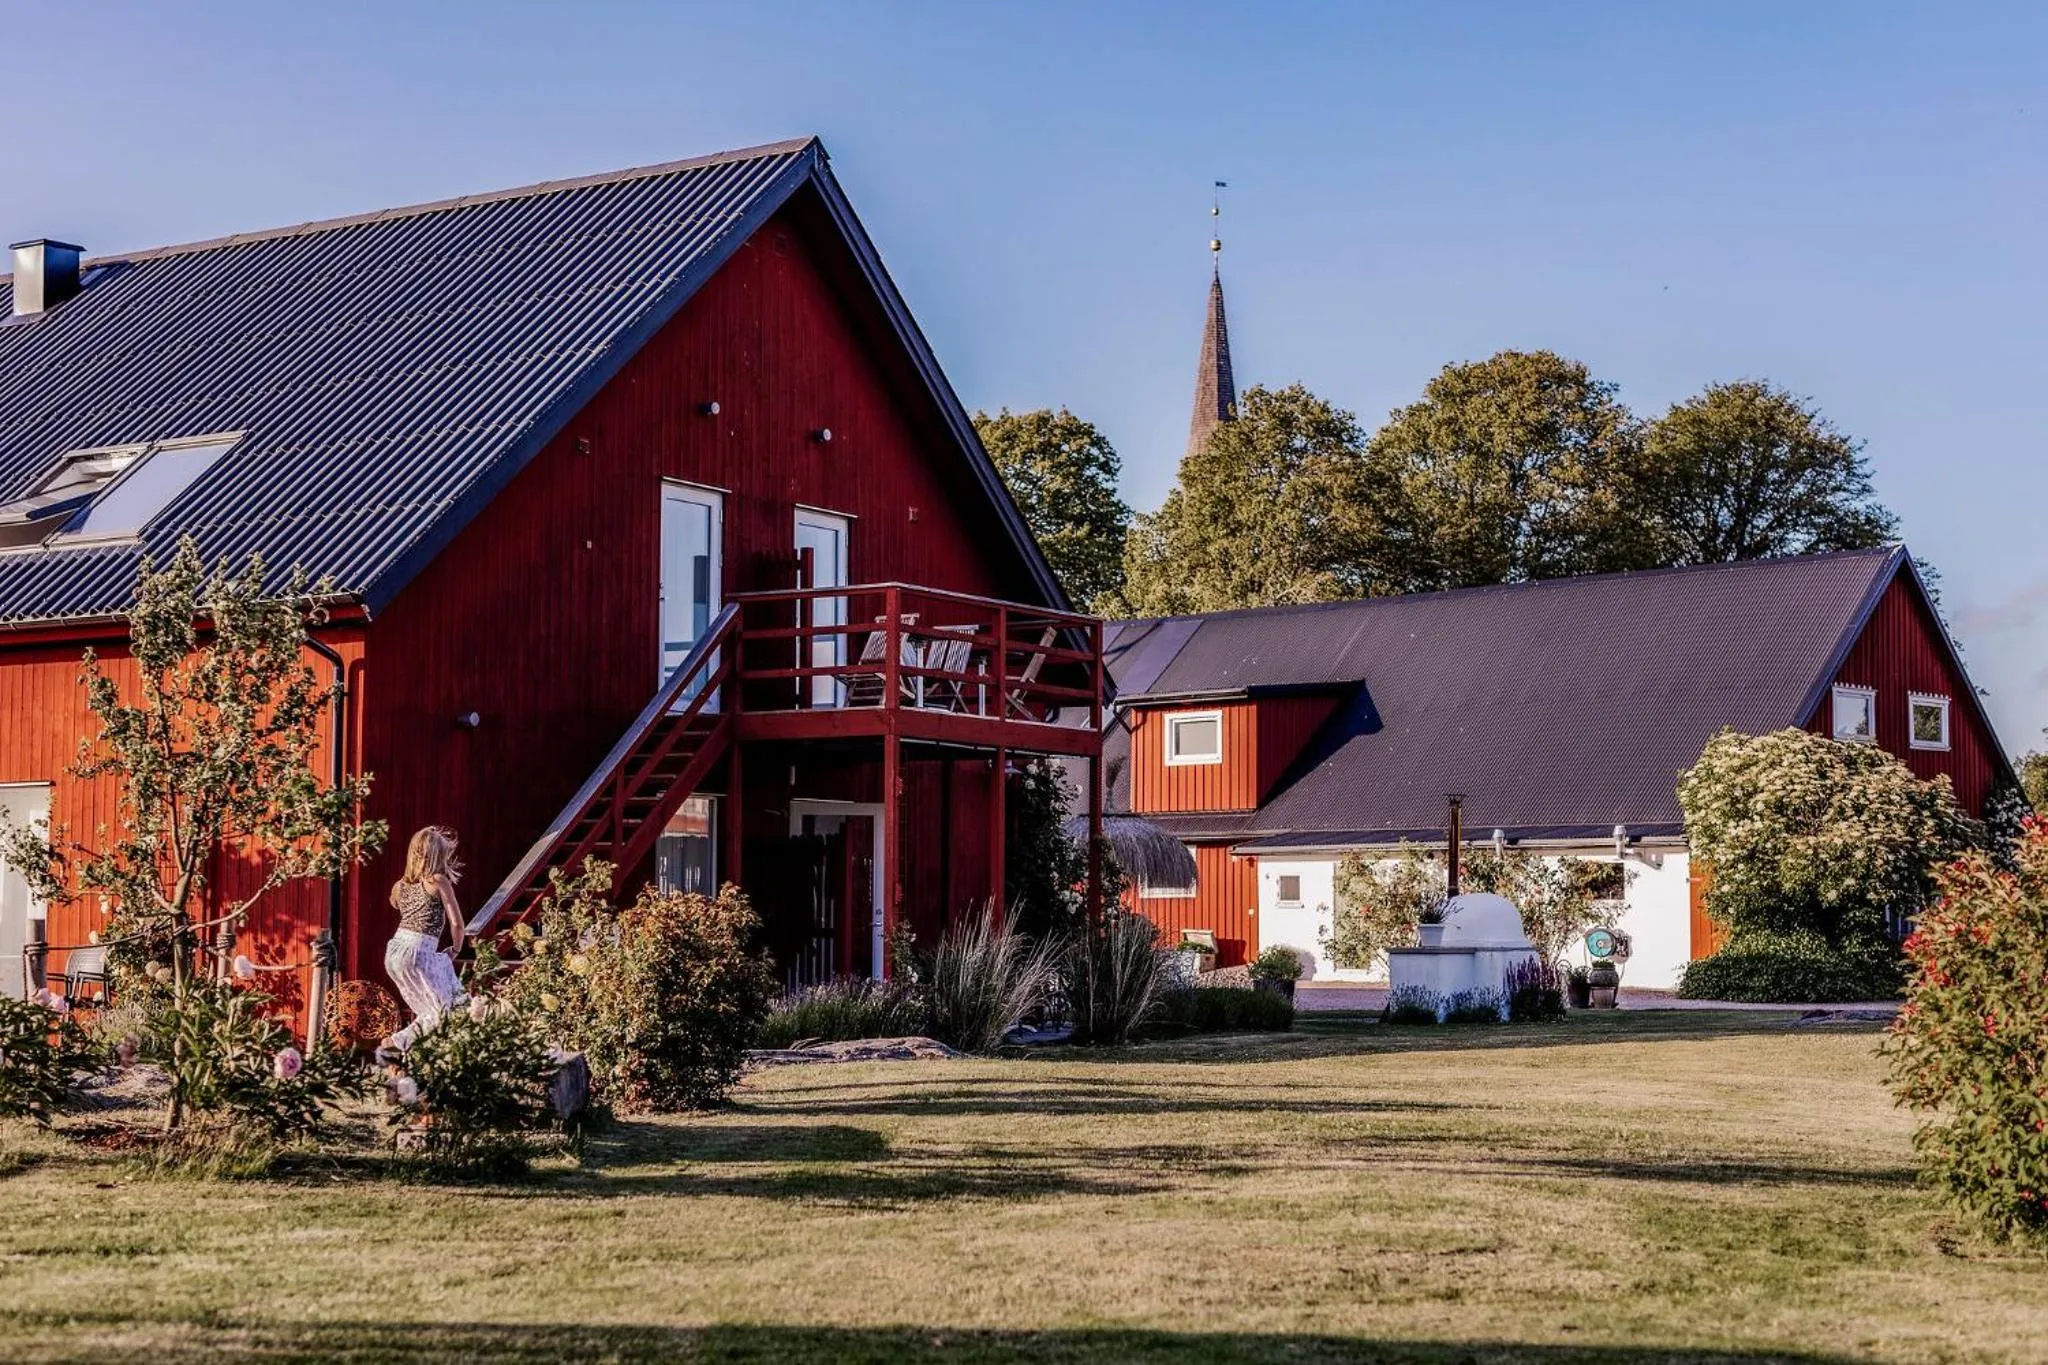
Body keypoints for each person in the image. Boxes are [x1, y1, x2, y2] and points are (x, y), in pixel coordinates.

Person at [377, 826, 468, 1061]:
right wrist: (456, 949)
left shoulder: (399, 886)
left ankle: (414, 1053)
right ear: (438, 856)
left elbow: (395, 902)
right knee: (445, 1010)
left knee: (431, 1010)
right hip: (418, 950)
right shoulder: (438, 881)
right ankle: (396, 1043)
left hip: (395, 951)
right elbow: (457, 924)